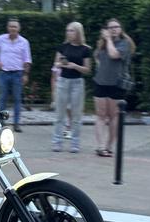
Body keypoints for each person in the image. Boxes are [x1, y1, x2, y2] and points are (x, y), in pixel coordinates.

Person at [93, 18, 135, 157]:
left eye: (116, 27)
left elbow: (114, 54)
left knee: (113, 116)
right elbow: (97, 57)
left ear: (121, 29)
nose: (113, 29)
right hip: (101, 82)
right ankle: (100, 146)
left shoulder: (125, 43)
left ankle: (109, 146)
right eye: (110, 27)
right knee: (100, 115)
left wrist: (109, 40)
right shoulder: (102, 44)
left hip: (116, 84)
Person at [51, 22, 92, 153]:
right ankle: (57, 142)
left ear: (78, 32)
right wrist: (62, 64)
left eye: (72, 31)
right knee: (59, 114)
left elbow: (87, 70)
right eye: (68, 30)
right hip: (63, 81)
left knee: (76, 115)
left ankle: (75, 143)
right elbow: (56, 63)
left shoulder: (85, 49)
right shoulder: (63, 47)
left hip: (77, 82)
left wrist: (75, 66)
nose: (69, 33)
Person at [0, 18, 32, 132]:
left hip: (18, 74)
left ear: (18, 28)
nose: (13, 28)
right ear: (8, 28)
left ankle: (16, 124)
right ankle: (2, 122)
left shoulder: (24, 42)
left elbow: (27, 59)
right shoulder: (1, 39)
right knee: (3, 98)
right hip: (4, 73)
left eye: (15, 26)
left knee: (17, 99)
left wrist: (26, 74)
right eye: (11, 26)